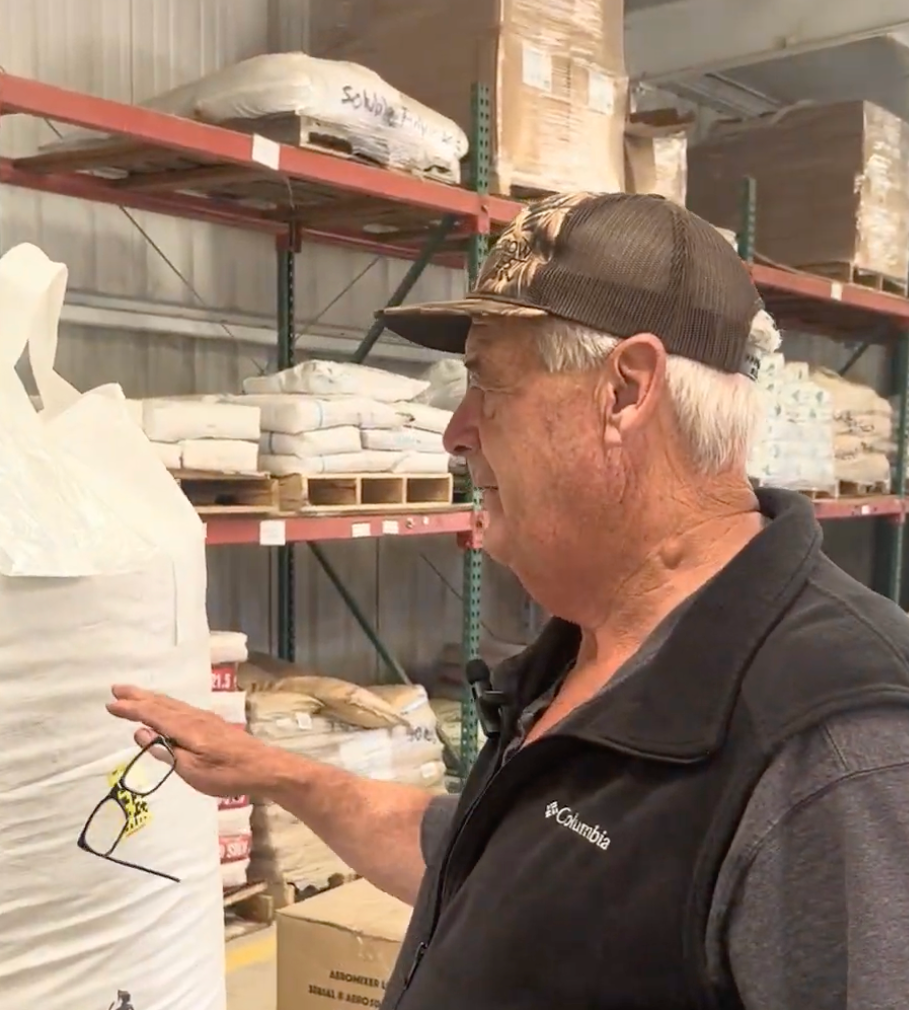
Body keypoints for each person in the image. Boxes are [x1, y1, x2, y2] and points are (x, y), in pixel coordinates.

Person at [107, 192, 909, 1009]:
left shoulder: (838, 748)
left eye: (487, 382)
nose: (456, 431)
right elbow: (470, 859)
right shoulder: (590, 651)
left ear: (625, 392)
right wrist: (271, 769)